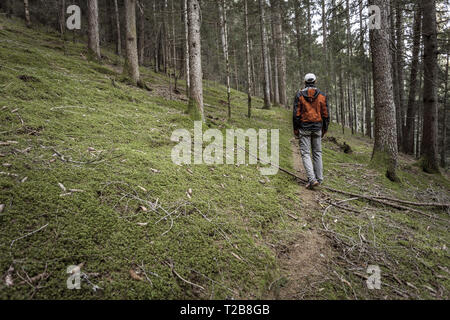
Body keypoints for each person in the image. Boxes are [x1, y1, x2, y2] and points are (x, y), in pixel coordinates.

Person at [293, 73, 329, 189]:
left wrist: (296, 129)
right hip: (317, 127)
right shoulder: (322, 96)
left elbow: (296, 115)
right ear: (315, 81)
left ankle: (312, 179)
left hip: (304, 128)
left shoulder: (299, 95)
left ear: (305, 82)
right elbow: (326, 114)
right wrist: (324, 128)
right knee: (317, 153)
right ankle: (319, 179)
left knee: (306, 154)